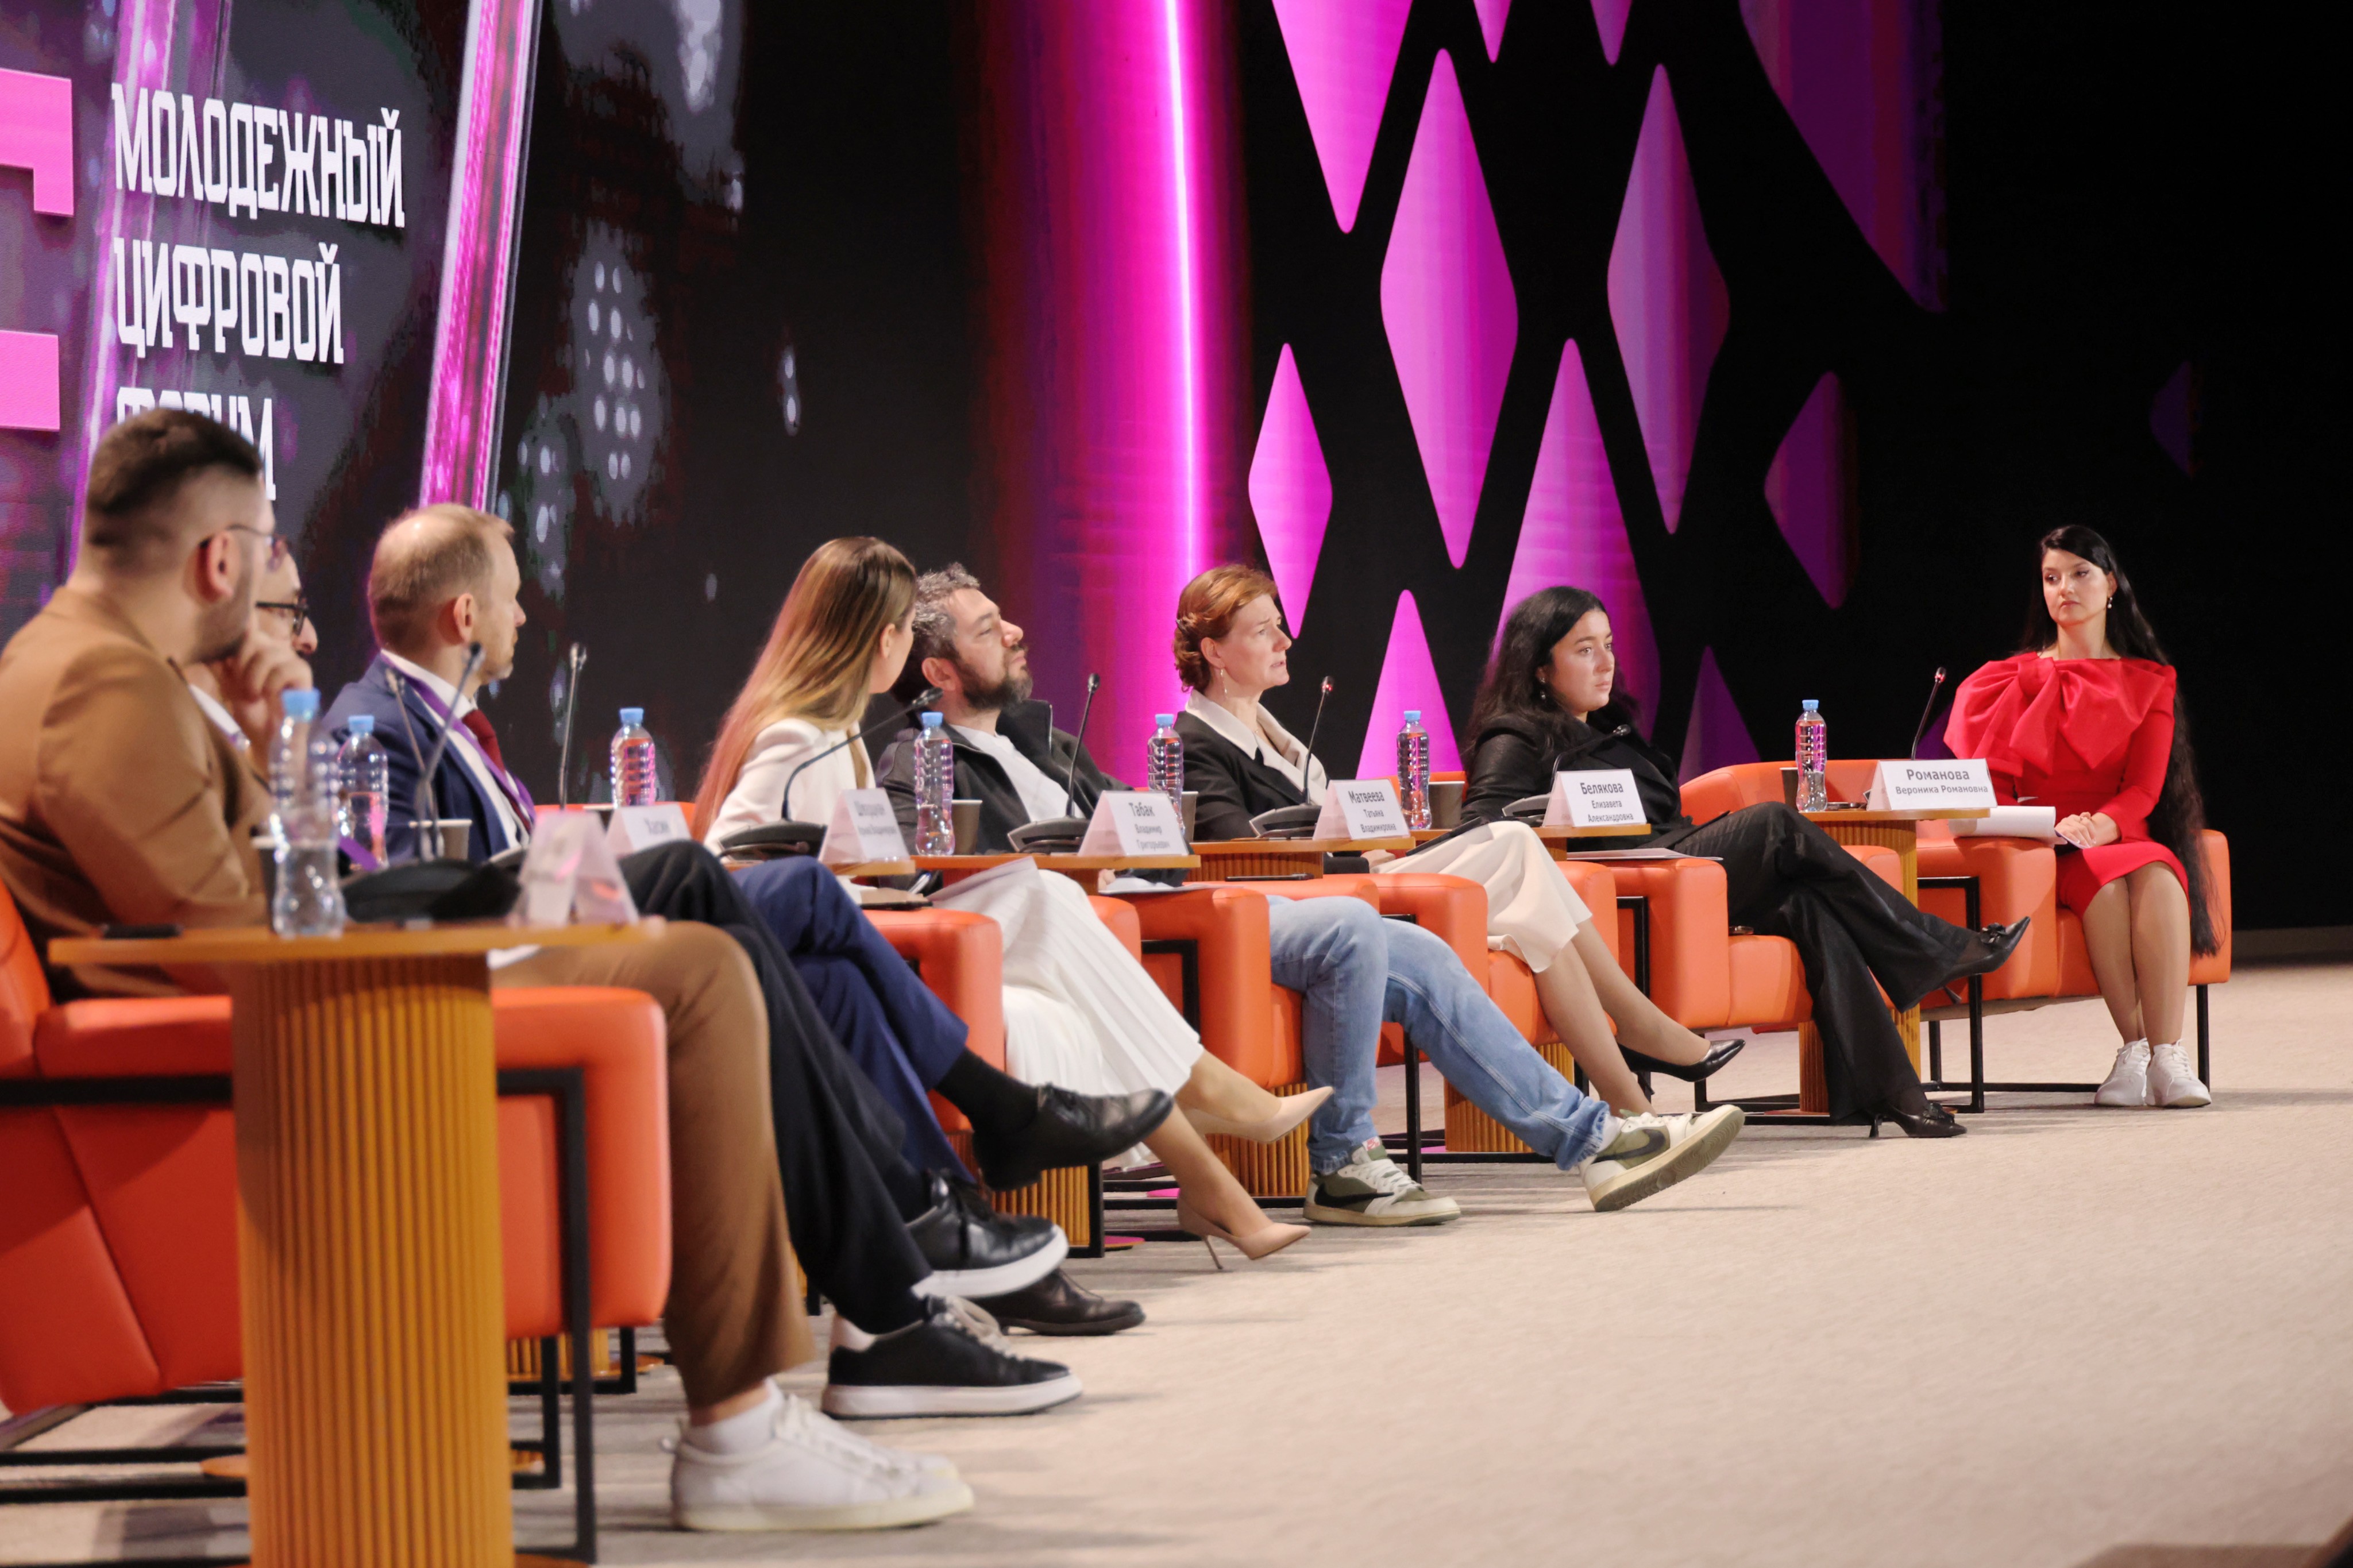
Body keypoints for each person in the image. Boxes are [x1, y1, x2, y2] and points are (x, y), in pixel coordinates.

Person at [0, 413, 1031, 1535]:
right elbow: (234, 934)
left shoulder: (88, 665)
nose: (272, 584)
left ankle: (862, 1313)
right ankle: (768, 1404)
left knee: (698, 926)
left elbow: (243, 894)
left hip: (290, 1012)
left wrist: (264, 740)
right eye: (263, 548)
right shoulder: (101, 684)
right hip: (284, 1051)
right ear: (217, 560)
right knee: (695, 967)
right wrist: (436, 912)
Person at [323, 504, 1158, 1336]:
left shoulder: (446, 726)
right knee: (761, 884)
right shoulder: (380, 733)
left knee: (831, 980)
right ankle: (996, 1129)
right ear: (464, 615)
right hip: (504, 980)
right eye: (511, 598)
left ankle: (938, 1247)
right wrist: (570, 876)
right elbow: (404, 898)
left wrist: (567, 870)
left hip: (560, 948)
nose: (522, 615)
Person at [874, 563, 1750, 1218]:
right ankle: (1345, 1158)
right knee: (1355, 925)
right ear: (940, 670)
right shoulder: (916, 761)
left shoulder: (1054, 744)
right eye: (989, 628)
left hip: (1170, 900)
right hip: (1138, 920)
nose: (1016, 632)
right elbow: (945, 874)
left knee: (1421, 950)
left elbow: (1151, 834)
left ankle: (1596, 1139)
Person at [699, 538, 1317, 1262]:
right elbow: (734, 868)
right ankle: (1212, 1114)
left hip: (883, 929)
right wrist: (861, 897)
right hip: (839, 947)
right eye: (901, 628)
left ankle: (1211, 1177)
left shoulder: (844, 736)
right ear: (882, 641)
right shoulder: (803, 738)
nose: (1015, 633)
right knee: (1042, 893)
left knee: (1048, 906)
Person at [1460, 585, 2032, 1137]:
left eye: (1608, 645)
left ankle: (1895, 1093)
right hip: (1630, 882)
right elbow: (1485, 828)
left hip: (1679, 864)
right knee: (1774, 824)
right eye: (1584, 650)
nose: (1606, 663)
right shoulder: (1515, 736)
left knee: (1810, 905)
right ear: (1539, 667)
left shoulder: (1612, 729)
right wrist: (1559, 821)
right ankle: (1932, 946)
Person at [1172, 566, 1734, 1116]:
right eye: (1263, 631)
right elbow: (1243, 852)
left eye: (1279, 625)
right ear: (1215, 652)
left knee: (1535, 919)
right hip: (1319, 904)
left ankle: (1629, 1104)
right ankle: (1637, 1031)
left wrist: (1361, 847)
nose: (1284, 641)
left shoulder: (1279, 739)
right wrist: (1353, 858)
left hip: (1355, 880)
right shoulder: (1196, 745)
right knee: (1514, 841)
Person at [1944, 525, 2216, 1110]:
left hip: (2119, 832)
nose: (2063, 588)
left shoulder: (2149, 681)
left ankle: (2168, 1057)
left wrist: (2102, 826)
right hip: (2046, 843)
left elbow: (2143, 789)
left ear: (2111, 585)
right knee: (2106, 886)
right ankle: (2135, 1050)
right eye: (2051, 578)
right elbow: (1989, 789)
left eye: (2079, 574)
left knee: (2159, 873)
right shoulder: (2004, 682)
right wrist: (2050, 826)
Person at [182, 535, 315, 752]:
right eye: (285, 612)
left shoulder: (239, 742)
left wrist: (271, 753)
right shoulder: (172, 742)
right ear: (222, 610)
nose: (310, 640)